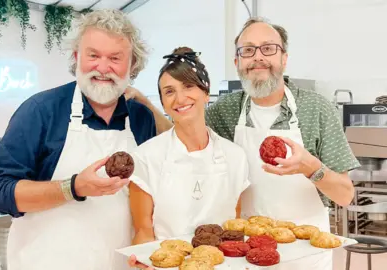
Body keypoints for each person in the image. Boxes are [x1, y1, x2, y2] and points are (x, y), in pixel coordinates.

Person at [127, 18, 358, 270]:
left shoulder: (317, 110)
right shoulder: (226, 110)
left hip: (305, 255)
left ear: (284, 58)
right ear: (237, 62)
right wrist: (148, 104)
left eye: (268, 48)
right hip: (243, 255)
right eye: (248, 50)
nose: (258, 57)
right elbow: (184, 128)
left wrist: (311, 167)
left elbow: (345, 195)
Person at [0, 9, 156, 270]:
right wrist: (73, 187)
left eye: (115, 58)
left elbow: (148, 194)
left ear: (132, 65)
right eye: (93, 55)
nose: (102, 67)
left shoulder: (142, 119)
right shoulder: (40, 111)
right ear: (77, 57)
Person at [126, 47, 250, 269]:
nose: (180, 98)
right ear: (163, 102)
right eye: (169, 91)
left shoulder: (235, 157)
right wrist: (143, 260)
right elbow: (143, 230)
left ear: (205, 91)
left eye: (188, 86)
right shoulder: (145, 157)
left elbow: (235, 228)